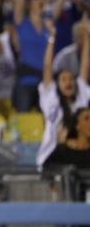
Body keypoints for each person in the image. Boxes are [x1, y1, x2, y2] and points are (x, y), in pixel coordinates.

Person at [38, 14, 90, 167]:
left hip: (77, 155)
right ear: (57, 84)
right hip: (52, 155)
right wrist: (52, 37)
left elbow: (85, 67)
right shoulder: (51, 96)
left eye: (71, 79)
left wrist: (86, 37)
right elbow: (47, 67)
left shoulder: (80, 97)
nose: (69, 82)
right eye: (63, 79)